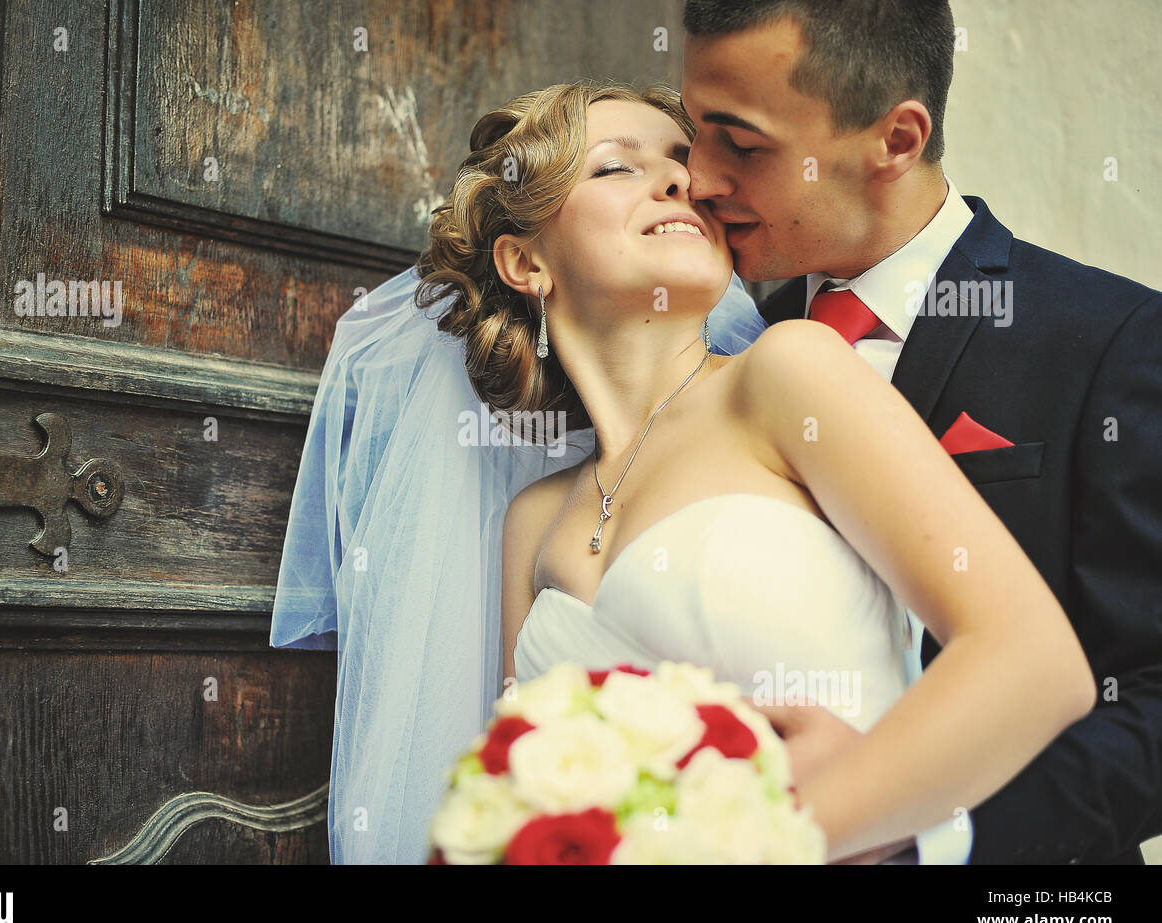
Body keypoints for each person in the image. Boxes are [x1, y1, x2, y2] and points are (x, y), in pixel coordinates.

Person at [275, 79, 1096, 864]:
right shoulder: (534, 521)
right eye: (618, 165)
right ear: (526, 264)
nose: (678, 179)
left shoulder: (788, 375)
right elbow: (534, 795)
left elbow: (1038, 665)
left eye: (682, 161)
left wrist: (755, 837)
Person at [679, 0, 1162, 864]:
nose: (701, 178)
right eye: (694, 134)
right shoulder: (709, 353)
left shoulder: (1110, 340)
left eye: (743, 145)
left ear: (896, 140)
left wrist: (926, 832)